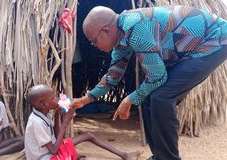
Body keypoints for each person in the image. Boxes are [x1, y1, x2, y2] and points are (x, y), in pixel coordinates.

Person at [69, 5, 227, 160]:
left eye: (94, 41)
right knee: (150, 97)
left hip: (214, 41)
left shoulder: (136, 29)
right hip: (192, 47)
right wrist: (87, 98)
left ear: (106, 30)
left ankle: (168, 158)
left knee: (162, 97)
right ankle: (159, 156)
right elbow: (113, 75)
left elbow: (157, 77)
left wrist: (130, 99)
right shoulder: (122, 34)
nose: (95, 46)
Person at [25, 84, 141, 160]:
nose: (57, 99)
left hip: (49, 151)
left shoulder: (43, 113)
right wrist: (65, 122)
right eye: (53, 97)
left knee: (88, 136)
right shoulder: (37, 122)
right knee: (71, 153)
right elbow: (54, 149)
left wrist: (57, 115)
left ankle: (124, 155)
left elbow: (57, 137)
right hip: (44, 157)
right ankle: (73, 156)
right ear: (44, 104)